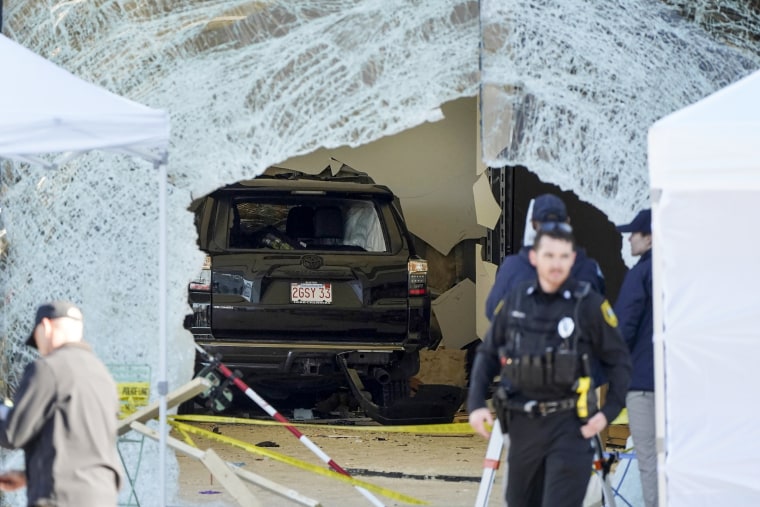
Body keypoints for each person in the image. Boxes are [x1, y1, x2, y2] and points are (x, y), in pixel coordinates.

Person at [468, 225, 631, 507]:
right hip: (523, 426)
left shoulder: (588, 305)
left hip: (569, 426)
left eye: (563, 256)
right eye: (549, 255)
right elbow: (488, 353)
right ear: (534, 258)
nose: (556, 263)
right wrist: (475, 403)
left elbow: (619, 362)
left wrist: (608, 412)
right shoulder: (516, 300)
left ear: (572, 259)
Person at [0, 301, 123, 506]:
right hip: (102, 495)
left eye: (36, 340)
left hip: (60, 498)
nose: (39, 349)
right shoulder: (102, 376)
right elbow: (77, 442)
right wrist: (30, 476)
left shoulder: (47, 369)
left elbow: (13, 434)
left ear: (46, 327)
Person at [485, 193, 605, 320]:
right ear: (567, 222)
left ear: (533, 225)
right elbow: (599, 308)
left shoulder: (511, 266)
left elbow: (492, 310)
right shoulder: (590, 267)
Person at [613, 208, 656, 507]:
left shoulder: (640, 274)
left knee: (649, 457)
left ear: (651, 238)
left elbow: (622, 329)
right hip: (680, 383)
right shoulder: (681, 271)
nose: (629, 239)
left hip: (643, 383)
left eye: (635, 233)